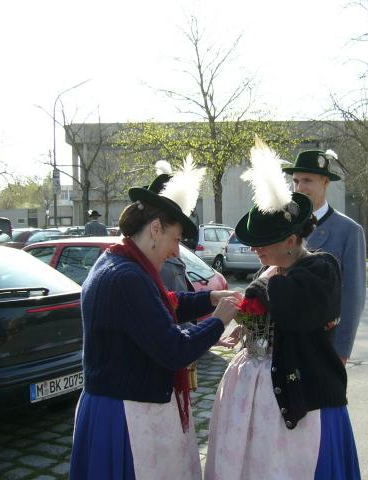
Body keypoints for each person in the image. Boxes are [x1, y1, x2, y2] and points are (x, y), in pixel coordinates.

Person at [69, 156, 241, 480]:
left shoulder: (120, 264)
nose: (176, 252)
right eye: (175, 240)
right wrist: (218, 320)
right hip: (125, 415)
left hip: (122, 405)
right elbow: (173, 348)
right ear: (156, 229)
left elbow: (163, 305)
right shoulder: (127, 277)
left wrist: (208, 298)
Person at [205, 138, 360, 479]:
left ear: (291, 241)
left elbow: (291, 309)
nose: (255, 250)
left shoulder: (321, 268)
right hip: (259, 398)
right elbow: (267, 307)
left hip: (305, 400)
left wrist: (256, 293)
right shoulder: (272, 270)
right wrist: (247, 324)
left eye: (263, 244)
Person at [283, 149, 366, 364]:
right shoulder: (285, 225)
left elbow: (353, 296)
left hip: (323, 345)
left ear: (326, 182)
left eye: (307, 180)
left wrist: (341, 350)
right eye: (296, 181)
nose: (300, 188)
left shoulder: (348, 231)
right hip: (283, 342)